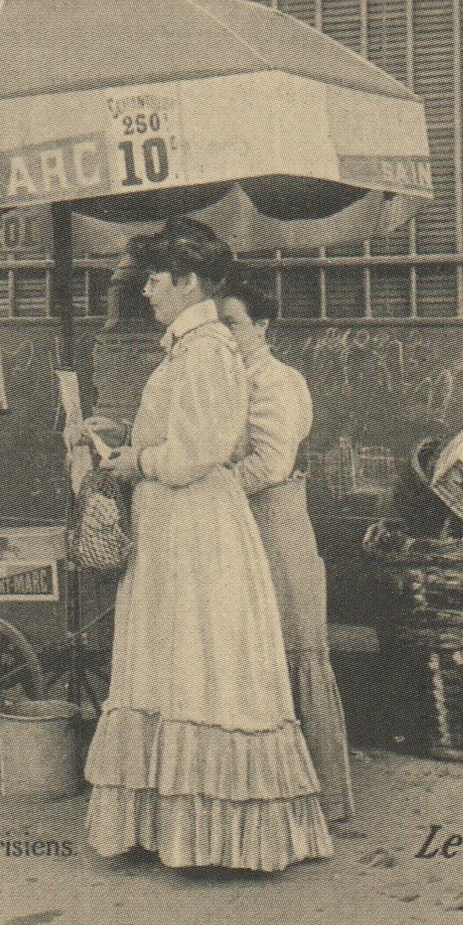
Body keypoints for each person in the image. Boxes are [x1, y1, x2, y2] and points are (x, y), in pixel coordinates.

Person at [81, 218, 332, 872]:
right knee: (180, 666)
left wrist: (137, 460)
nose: (147, 292)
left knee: (202, 667)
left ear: (188, 282)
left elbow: (197, 451)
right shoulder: (189, 350)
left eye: (156, 280)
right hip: (176, 528)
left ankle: (214, 837)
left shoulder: (205, 351)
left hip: (195, 527)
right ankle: (178, 827)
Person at [217, 275, 355, 823]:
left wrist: (209, 483)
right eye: (220, 324)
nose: (227, 334)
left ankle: (315, 800)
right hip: (240, 527)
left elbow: (271, 466)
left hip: (276, 529)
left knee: (293, 651)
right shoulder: (226, 379)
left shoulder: (276, 382)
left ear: (262, 326)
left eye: (235, 323)